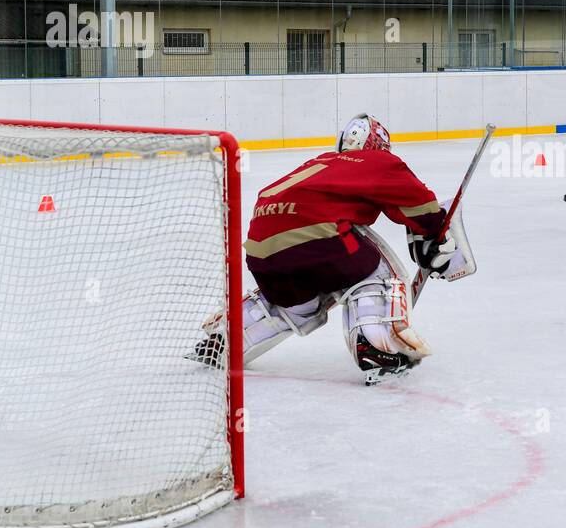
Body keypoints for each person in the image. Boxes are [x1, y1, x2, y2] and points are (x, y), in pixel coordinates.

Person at [193, 114, 468, 384]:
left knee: (298, 302)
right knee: (376, 272)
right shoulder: (378, 161)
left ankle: (226, 338)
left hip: (262, 250)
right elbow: (418, 205)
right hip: (317, 236)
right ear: (378, 146)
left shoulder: (321, 162)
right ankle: (378, 345)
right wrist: (437, 236)